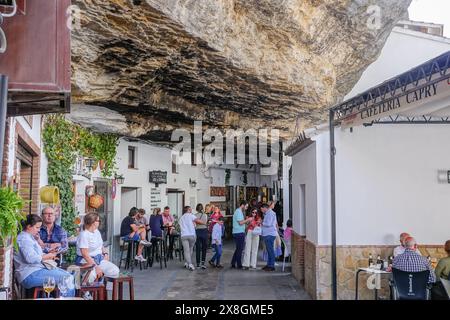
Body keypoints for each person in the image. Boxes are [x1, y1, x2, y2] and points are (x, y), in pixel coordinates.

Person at [13, 214, 75, 297]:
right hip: (29, 274)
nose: (39, 230)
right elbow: (30, 258)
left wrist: (49, 254)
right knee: (67, 279)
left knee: (69, 275)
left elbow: (36, 254)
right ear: (28, 226)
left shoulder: (29, 237)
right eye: (37, 227)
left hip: (36, 270)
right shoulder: (24, 239)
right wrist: (47, 256)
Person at [75, 213, 120, 284]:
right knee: (91, 275)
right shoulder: (83, 235)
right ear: (93, 222)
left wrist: (105, 253)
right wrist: (96, 267)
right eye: (98, 221)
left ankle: (102, 289)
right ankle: (86, 292)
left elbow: (101, 245)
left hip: (99, 258)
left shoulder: (97, 232)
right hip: (86, 261)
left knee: (114, 270)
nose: (99, 222)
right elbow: (85, 254)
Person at [179, 206, 207, 271]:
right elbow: (198, 221)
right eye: (190, 209)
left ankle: (187, 262)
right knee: (190, 249)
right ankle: (190, 264)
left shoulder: (181, 218)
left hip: (184, 235)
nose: (191, 210)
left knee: (186, 250)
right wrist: (204, 222)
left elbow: (179, 226)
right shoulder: (191, 215)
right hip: (191, 235)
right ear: (188, 210)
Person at [231, 201, 253, 269]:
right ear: (242, 205)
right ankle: (239, 264)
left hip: (239, 232)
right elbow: (240, 223)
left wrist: (247, 222)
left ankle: (233, 263)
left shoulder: (239, 212)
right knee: (240, 249)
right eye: (246, 206)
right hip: (238, 233)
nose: (246, 208)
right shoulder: (238, 211)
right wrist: (248, 219)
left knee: (238, 249)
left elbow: (241, 223)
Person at [260, 203, 278, 271]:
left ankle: (271, 266)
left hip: (269, 234)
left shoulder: (270, 213)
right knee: (269, 250)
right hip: (268, 234)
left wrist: (261, 222)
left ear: (265, 208)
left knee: (270, 251)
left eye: (262, 209)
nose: (261, 210)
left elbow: (268, 224)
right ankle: (269, 264)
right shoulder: (267, 213)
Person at [195, 203, 208, 269]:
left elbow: (194, 223)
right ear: (202, 208)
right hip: (204, 231)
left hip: (197, 231)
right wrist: (202, 222)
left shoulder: (195, 215)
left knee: (198, 248)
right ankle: (203, 263)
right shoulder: (205, 215)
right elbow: (205, 222)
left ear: (196, 209)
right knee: (204, 248)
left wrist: (198, 222)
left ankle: (197, 264)